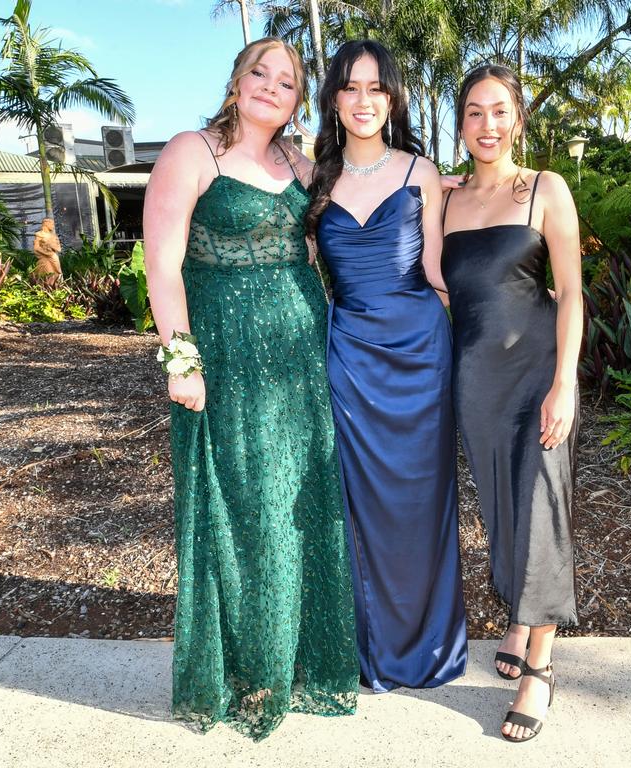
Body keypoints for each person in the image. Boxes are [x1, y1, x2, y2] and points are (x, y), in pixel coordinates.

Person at [142, 37, 358, 740]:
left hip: (302, 359)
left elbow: (346, 224)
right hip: (227, 363)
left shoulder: (300, 162)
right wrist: (182, 362)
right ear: (236, 82)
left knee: (299, 509)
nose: (272, 85)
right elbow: (163, 265)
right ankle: (247, 669)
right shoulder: (190, 151)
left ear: (299, 100)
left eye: (287, 80)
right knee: (243, 513)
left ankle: (300, 662)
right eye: (259, 72)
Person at [304, 39, 468, 693]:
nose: (364, 100)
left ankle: (427, 647)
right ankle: (368, 644)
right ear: (334, 99)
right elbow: (300, 273)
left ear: (393, 97)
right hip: (350, 360)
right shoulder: (312, 180)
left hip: (423, 358)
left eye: (376, 88)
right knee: (362, 508)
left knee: (423, 503)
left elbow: (435, 272)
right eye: (351, 87)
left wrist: (515, 308)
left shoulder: (419, 172)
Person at [439, 64, 583, 743]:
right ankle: (520, 619)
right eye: (474, 112)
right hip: (474, 381)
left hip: (537, 375)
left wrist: (568, 382)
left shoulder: (545, 189)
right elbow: (442, 295)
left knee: (542, 505)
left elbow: (572, 292)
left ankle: (541, 669)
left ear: (519, 118)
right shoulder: (444, 200)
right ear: (461, 122)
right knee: (500, 506)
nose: (488, 125)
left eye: (500, 111)